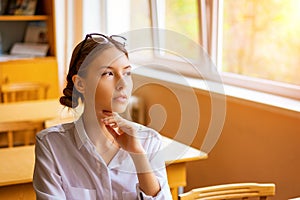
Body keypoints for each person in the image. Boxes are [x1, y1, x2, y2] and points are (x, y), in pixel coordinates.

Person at [33, 33, 172, 200]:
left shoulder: (149, 141)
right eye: (108, 74)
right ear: (81, 84)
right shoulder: (51, 145)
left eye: (127, 73)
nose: (123, 83)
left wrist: (138, 156)